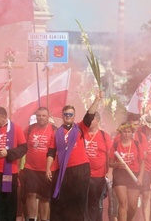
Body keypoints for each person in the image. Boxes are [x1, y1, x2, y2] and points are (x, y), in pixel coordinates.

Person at [46, 90, 102, 221]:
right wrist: (48, 168)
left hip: (80, 169)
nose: (68, 116)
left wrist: (97, 100)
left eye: (70, 114)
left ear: (74, 116)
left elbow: (89, 115)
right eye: (65, 114)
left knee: (79, 201)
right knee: (63, 201)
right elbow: (51, 152)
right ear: (62, 115)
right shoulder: (56, 133)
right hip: (63, 171)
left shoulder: (80, 128)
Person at [21, 107, 56, 221]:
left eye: (43, 115)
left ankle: (44, 219)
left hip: (47, 169)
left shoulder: (54, 130)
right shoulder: (29, 129)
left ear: (48, 116)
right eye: (39, 115)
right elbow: (21, 145)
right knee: (30, 194)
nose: (41, 118)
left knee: (44, 197)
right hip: (30, 168)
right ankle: (31, 218)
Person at [109, 122, 145, 221]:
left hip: (134, 174)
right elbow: (110, 163)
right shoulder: (116, 145)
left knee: (133, 206)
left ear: (132, 133)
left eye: (129, 132)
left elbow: (142, 162)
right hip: (120, 175)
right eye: (124, 132)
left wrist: (141, 177)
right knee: (123, 203)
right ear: (120, 133)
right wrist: (118, 164)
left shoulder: (137, 144)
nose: (126, 134)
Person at [84, 110, 113, 221]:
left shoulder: (104, 136)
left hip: (99, 175)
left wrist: (110, 172)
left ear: (98, 120)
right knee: (83, 201)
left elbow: (111, 156)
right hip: (84, 175)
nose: (89, 121)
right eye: (88, 119)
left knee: (95, 202)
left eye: (92, 119)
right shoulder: (82, 134)